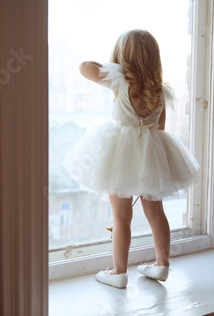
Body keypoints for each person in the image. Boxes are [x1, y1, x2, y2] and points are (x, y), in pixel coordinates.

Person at [62, 29, 200, 289]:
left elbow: (83, 67)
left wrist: (114, 67)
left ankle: (119, 272)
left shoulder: (119, 80)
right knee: (156, 213)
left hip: (118, 155)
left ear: (122, 57)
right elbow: (159, 130)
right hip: (151, 157)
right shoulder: (161, 91)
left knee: (121, 217)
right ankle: (162, 264)